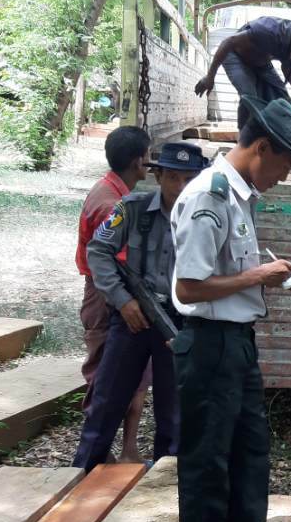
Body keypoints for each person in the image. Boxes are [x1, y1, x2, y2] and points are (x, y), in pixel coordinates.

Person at [169, 96, 291, 522]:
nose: (285, 176)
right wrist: (259, 276)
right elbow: (190, 287)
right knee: (207, 453)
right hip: (208, 342)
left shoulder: (239, 197)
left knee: (249, 444)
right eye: (286, 164)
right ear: (261, 148)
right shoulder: (209, 197)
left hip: (237, 340)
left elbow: (229, 274)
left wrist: (274, 280)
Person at [71, 142, 208, 470]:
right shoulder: (131, 209)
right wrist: (123, 300)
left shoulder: (204, 218)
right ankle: (80, 478)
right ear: (158, 176)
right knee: (106, 403)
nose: (180, 187)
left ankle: (165, 487)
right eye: (172, 177)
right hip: (132, 319)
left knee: (174, 414)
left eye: (189, 179)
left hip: (177, 323)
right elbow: (98, 251)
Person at [76, 125, 150, 462]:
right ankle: (99, 453)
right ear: (138, 162)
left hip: (113, 296)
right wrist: (126, 301)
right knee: (105, 377)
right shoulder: (113, 205)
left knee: (134, 376)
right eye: (147, 156)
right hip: (109, 298)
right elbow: (112, 262)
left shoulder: (109, 191)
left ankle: (126, 450)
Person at [193, 16, 291, 132]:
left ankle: (280, 143)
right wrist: (210, 76)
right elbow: (228, 42)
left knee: (284, 101)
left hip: (262, 63)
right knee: (250, 97)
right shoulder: (269, 30)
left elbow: (287, 66)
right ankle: (244, 142)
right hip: (235, 55)